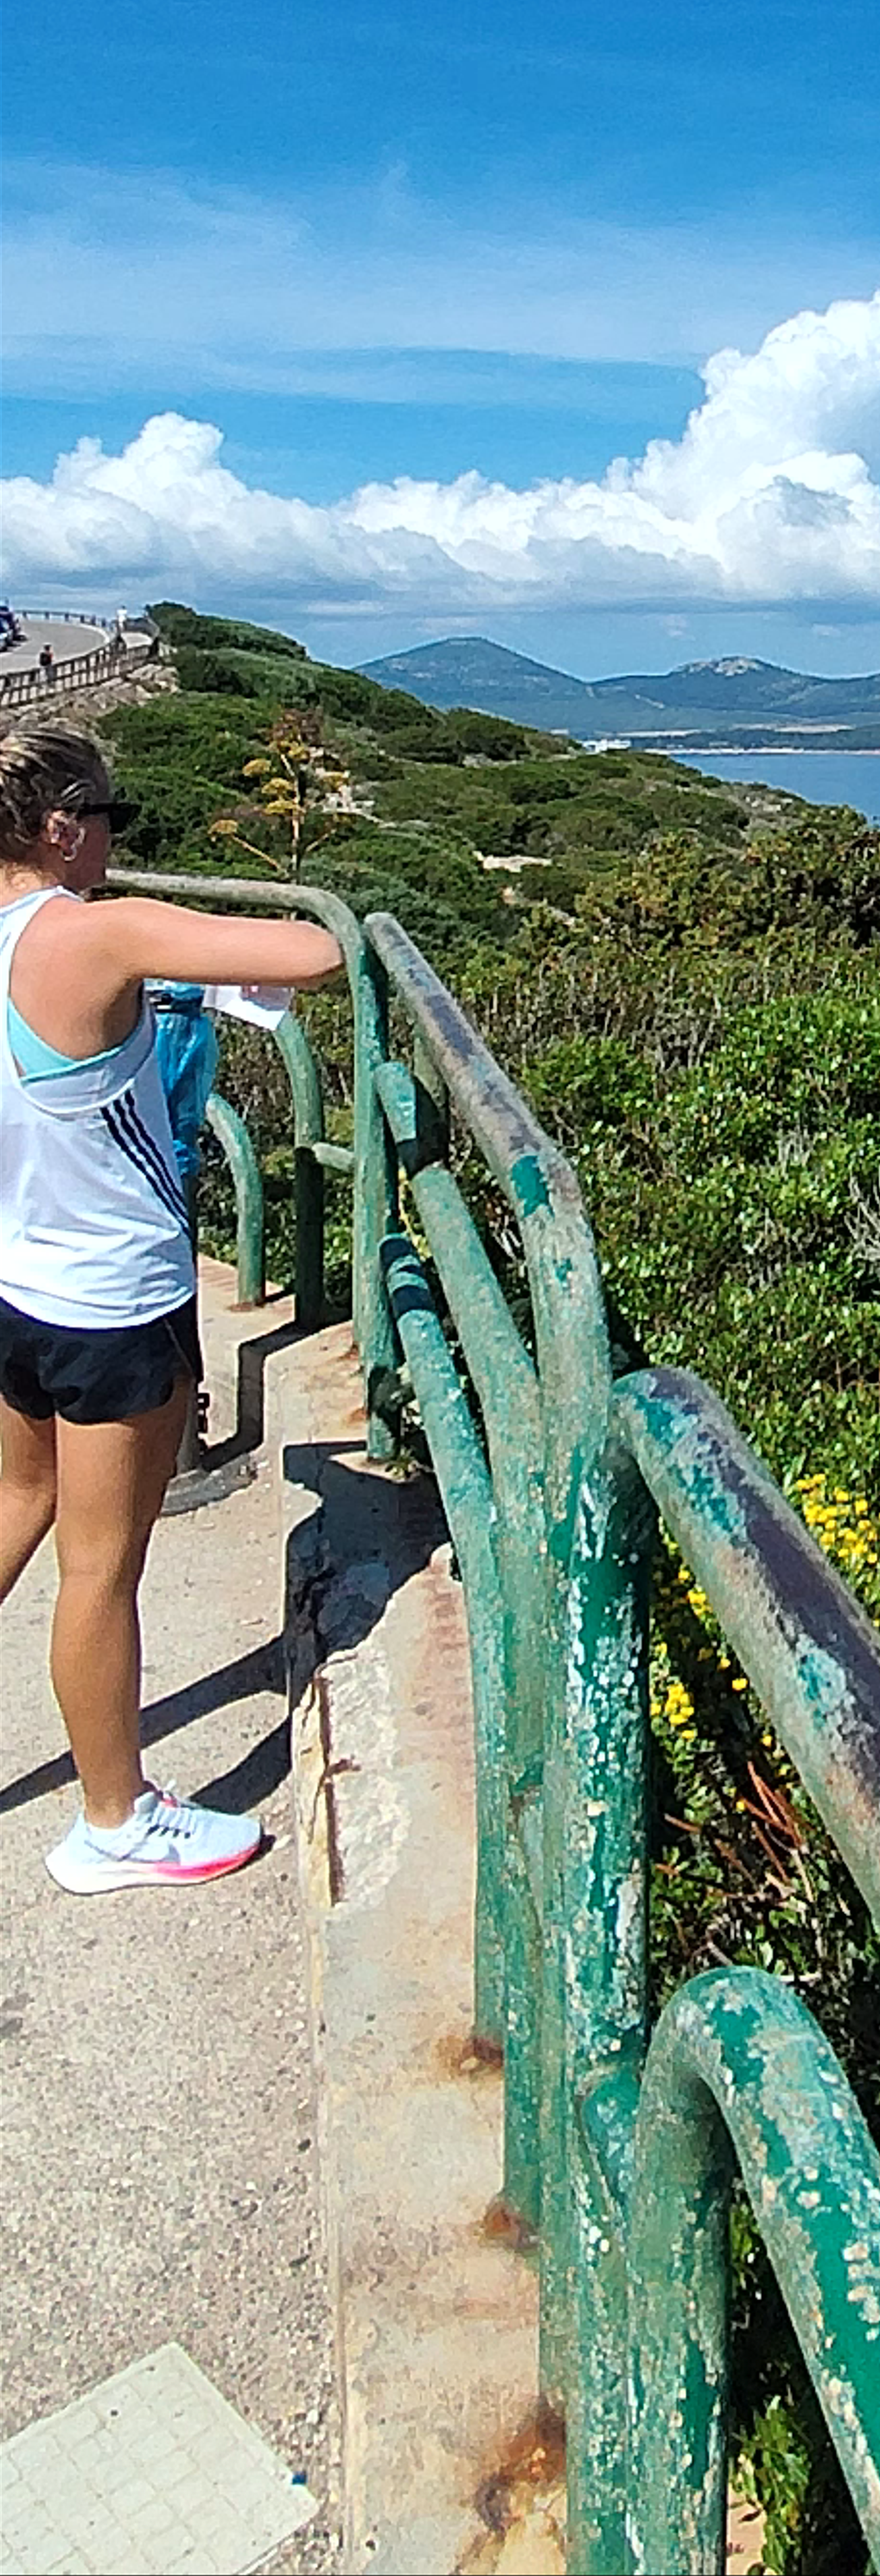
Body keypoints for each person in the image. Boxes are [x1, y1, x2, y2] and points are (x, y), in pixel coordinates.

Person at [0, 723, 344, 1893]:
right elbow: (317, 950)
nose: (115, 839)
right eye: (110, 817)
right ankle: (115, 1820)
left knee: (13, 1500)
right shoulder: (98, 931)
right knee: (100, 1568)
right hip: (114, 1303)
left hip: (16, 1288)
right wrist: (155, 935)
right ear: (58, 826)